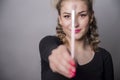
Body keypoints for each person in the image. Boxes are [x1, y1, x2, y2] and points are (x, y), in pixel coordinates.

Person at [39, 0, 114, 80]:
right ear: (60, 19)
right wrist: (57, 54)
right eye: (67, 16)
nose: (75, 24)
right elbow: (47, 46)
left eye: (82, 15)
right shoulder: (50, 43)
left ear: (91, 17)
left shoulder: (104, 57)